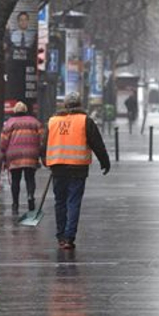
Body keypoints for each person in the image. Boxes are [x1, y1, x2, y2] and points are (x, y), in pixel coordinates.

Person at [43, 92, 111, 250]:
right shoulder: (85, 121)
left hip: (57, 166)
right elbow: (97, 144)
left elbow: (44, 144)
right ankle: (69, 237)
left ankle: (60, 236)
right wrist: (104, 162)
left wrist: (45, 161)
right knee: (73, 202)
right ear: (80, 104)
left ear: (65, 105)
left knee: (60, 202)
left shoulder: (53, 121)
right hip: (78, 167)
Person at [0, 101, 44, 214]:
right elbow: (42, 139)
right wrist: (40, 153)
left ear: (15, 111)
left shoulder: (10, 123)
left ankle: (15, 203)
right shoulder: (35, 122)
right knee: (30, 178)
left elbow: (4, 140)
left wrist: (3, 154)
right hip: (31, 154)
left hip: (14, 154)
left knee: (15, 179)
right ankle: (30, 196)